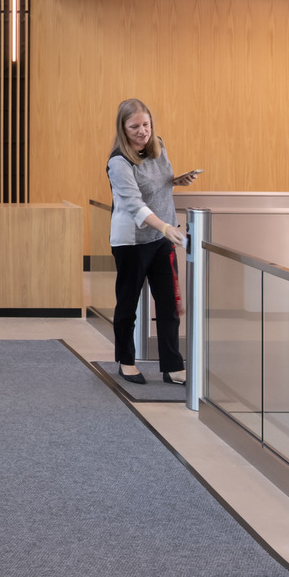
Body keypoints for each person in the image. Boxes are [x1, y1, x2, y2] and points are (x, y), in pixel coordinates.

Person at [107, 98, 200, 383]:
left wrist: (176, 180)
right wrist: (163, 227)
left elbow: (159, 182)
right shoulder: (118, 163)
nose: (142, 131)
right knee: (128, 304)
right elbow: (134, 204)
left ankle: (172, 365)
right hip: (132, 243)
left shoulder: (158, 148)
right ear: (123, 129)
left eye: (146, 124)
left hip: (161, 237)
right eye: (134, 126)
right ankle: (126, 361)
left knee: (169, 306)